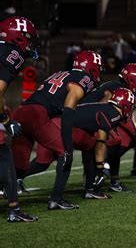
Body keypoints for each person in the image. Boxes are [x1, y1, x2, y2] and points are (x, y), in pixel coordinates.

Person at [13, 50, 103, 210]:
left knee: (18, 167)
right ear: (92, 68)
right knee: (65, 154)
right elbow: (68, 112)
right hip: (38, 114)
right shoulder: (84, 79)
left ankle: (8, 196)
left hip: (21, 112)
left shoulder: (61, 73)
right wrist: (68, 144)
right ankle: (56, 199)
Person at [0, 16, 39, 222]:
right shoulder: (11, 53)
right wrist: (5, 121)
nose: (30, 44)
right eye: (28, 38)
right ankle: (14, 210)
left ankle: (14, 208)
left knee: (5, 157)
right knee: (5, 158)